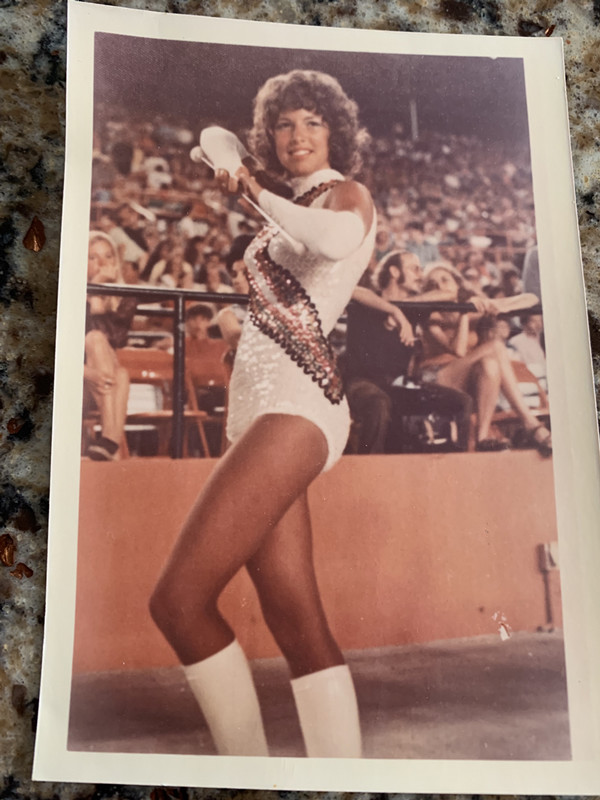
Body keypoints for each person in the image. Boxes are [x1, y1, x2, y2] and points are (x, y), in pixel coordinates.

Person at [149, 70, 375, 759]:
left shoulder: (346, 196)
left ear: (333, 131)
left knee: (178, 603)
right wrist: (238, 168)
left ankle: (243, 771)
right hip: (255, 412)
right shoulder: (281, 197)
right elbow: (211, 138)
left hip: (298, 407)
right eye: (284, 124)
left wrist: (254, 189)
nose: (297, 135)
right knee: (298, 624)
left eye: (311, 122)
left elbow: (332, 246)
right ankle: (341, 775)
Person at [345, 250, 473, 453]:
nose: (420, 275)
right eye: (414, 269)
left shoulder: (414, 308)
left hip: (397, 384)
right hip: (361, 382)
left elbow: (449, 294)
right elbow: (352, 290)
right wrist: (394, 311)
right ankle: (368, 470)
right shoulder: (367, 301)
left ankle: (457, 467)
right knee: (379, 404)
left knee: (461, 402)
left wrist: (403, 310)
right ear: (394, 272)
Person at [418, 263, 552, 455]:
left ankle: (482, 437)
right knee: (496, 346)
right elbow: (459, 351)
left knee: (490, 365)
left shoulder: (473, 307)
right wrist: (465, 312)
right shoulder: (430, 314)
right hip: (437, 377)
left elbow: (531, 299)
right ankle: (530, 423)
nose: (439, 285)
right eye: (432, 283)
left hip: (467, 379)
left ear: (457, 284)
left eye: (444, 279)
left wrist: (495, 305)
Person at [84, 232, 136, 460]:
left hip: (102, 381)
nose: (102, 263)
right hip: (70, 381)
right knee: (94, 339)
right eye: (93, 257)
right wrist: (93, 290)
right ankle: (112, 441)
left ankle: (109, 441)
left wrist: (103, 297)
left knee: (122, 373)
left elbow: (115, 339)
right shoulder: (64, 294)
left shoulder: (125, 298)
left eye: (108, 256)